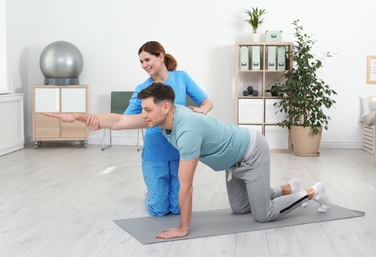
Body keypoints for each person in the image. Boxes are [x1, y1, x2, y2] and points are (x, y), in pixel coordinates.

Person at [44, 82, 330, 240]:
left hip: (251, 152)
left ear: (165, 107)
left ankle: (312, 191)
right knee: (240, 209)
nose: (143, 115)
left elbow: (187, 186)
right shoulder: (161, 117)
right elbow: (119, 120)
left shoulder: (187, 130)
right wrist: (79, 117)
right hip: (233, 162)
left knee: (261, 215)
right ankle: (285, 187)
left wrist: (183, 228)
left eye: (146, 109)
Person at [124, 41, 213, 217]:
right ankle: (152, 195)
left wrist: (202, 111)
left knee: (177, 208)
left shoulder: (182, 78)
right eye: (141, 62)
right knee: (158, 210)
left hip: (180, 150)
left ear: (161, 56)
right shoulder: (142, 88)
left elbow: (207, 102)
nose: (144, 65)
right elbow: (128, 118)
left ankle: (160, 195)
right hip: (155, 152)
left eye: (147, 59)